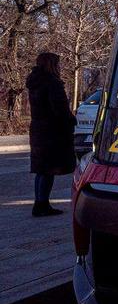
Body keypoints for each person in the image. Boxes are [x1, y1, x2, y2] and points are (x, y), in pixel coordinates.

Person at [26, 52, 76, 216]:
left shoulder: (35, 83)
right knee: (48, 169)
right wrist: (70, 121)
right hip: (52, 131)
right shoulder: (53, 84)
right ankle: (42, 204)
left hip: (38, 129)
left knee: (42, 169)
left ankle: (39, 202)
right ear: (52, 65)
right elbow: (60, 109)